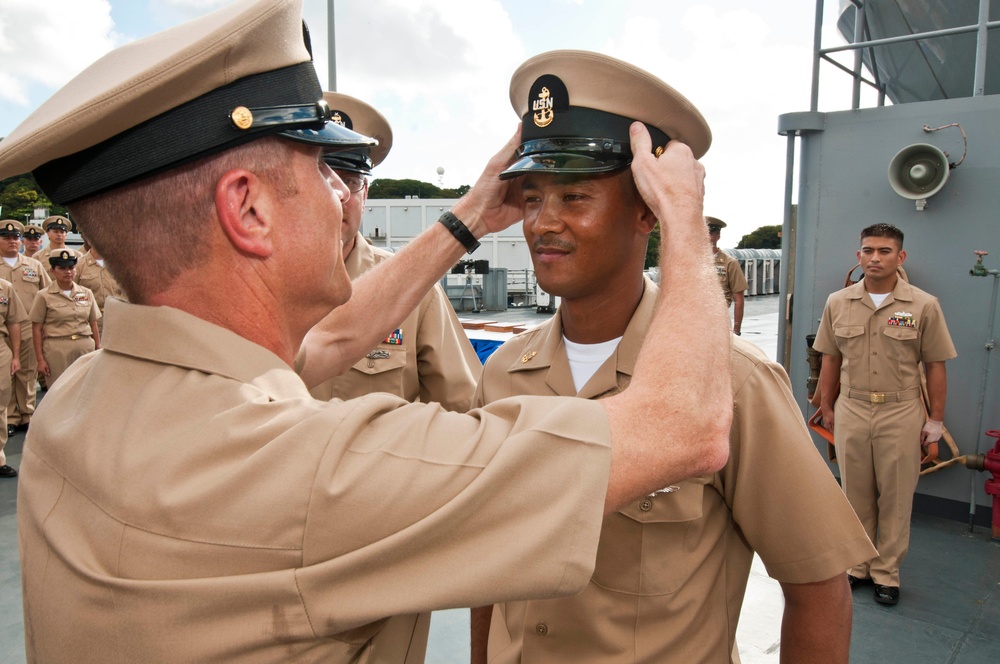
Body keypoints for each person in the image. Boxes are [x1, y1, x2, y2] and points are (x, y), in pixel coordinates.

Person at [0, 2, 732, 661]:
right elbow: (684, 428)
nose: (346, 199)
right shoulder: (311, 470)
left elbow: (330, 343)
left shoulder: (77, 400)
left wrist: (472, 215)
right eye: (323, 167)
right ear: (248, 209)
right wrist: (684, 224)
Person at [469, 50, 876, 664]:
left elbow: (817, 587)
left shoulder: (733, 381)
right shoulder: (503, 373)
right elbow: (488, 574)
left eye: (575, 195)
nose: (542, 223)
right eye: (531, 199)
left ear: (646, 210)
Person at [306, 92, 480, 415]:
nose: (338, 195)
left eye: (349, 181)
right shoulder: (258, 288)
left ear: (365, 193)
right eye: (322, 178)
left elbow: (464, 411)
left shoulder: (415, 291)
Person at [815, 223, 955, 606]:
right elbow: (830, 357)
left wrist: (936, 420)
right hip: (853, 408)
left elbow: (936, 365)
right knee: (854, 493)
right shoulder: (838, 302)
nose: (875, 258)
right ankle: (858, 566)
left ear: (900, 257)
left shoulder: (923, 305)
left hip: (901, 410)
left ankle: (886, 573)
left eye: (884, 251)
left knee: (895, 497)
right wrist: (827, 406)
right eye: (868, 250)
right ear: (858, 255)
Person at [0, 220, 50, 436]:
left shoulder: (34, 265)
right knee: (7, 375)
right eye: (6, 238)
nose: (12, 241)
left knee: (27, 372)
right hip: (3, 330)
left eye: (15, 238)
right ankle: (10, 417)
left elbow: (47, 294)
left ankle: (27, 414)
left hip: (28, 326)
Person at [29, 249, 101, 385]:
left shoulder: (86, 293)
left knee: (84, 390)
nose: (68, 272)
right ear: (52, 271)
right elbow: (37, 329)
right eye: (62, 268)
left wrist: (97, 347)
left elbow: (93, 323)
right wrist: (40, 360)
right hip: (57, 349)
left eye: (71, 267)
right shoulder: (43, 295)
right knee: (58, 390)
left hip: (84, 346)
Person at [0, 268, 26, 478]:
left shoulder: (5, 288)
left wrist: (16, 355)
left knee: (0, 403)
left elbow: (13, 322)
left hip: (0, 348)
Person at [707, 216, 748, 336]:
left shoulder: (729, 263)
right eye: (707, 232)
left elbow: (739, 300)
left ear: (718, 236)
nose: (710, 236)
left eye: (714, 233)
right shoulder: (692, 261)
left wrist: (736, 331)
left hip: (718, 322)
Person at [74, 242, 126, 334]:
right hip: (91, 320)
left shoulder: (119, 264)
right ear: (89, 241)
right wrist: (88, 304)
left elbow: (126, 292)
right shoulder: (78, 265)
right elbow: (72, 293)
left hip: (117, 317)